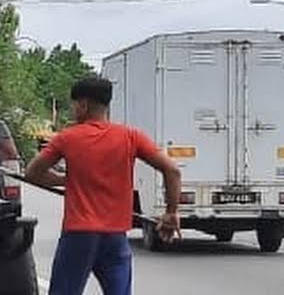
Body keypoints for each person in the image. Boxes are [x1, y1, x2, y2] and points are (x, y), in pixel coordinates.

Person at [25, 74, 183, 295]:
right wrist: (171, 213)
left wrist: (65, 180)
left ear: (83, 104)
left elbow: (32, 173)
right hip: (115, 237)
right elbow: (172, 170)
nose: (73, 110)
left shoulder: (67, 138)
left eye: (73, 105)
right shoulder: (130, 136)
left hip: (78, 235)